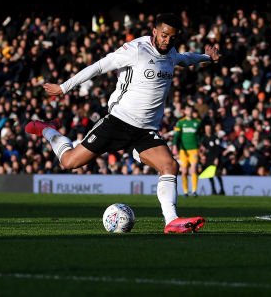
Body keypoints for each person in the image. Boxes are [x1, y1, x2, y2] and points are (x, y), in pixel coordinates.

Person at [26, 13, 219, 234]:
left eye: (172, 37)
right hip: (118, 122)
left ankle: (171, 221)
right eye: (164, 35)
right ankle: (47, 129)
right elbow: (99, 66)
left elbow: (185, 58)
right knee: (69, 162)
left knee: (170, 166)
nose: (167, 41)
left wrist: (206, 57)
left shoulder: (171, 53)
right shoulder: (135, 50)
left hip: (145, 131)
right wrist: (64, 87)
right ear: (154, 31)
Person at [172, 106, 203, 196]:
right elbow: (177, 136)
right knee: (184, 171)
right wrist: (174, 146)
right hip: (183, 150)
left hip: (194, 149)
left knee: (193, 170)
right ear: (185, 111)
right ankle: (185, 191)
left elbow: (201, 135)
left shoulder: (198, 122)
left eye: (191, 110)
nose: (189, 111)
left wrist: (201, 144)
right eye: (187, 110)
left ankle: (194, 191)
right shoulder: (181, 122)